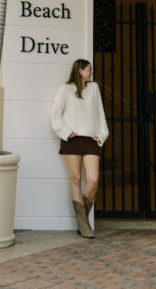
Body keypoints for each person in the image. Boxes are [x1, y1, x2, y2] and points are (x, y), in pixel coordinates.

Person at [51, 58, 109, 239]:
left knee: (93, 180)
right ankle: (84, 225)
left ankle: (81, 219)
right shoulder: (65, 89)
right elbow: (55, 114)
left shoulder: (94, 88)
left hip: (90, 140)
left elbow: (100, 112)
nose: (91, 72)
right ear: (80, 70)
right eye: (89, 69)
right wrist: (66, 132)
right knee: (75, 178)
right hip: (72, 140)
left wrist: (102, 133)